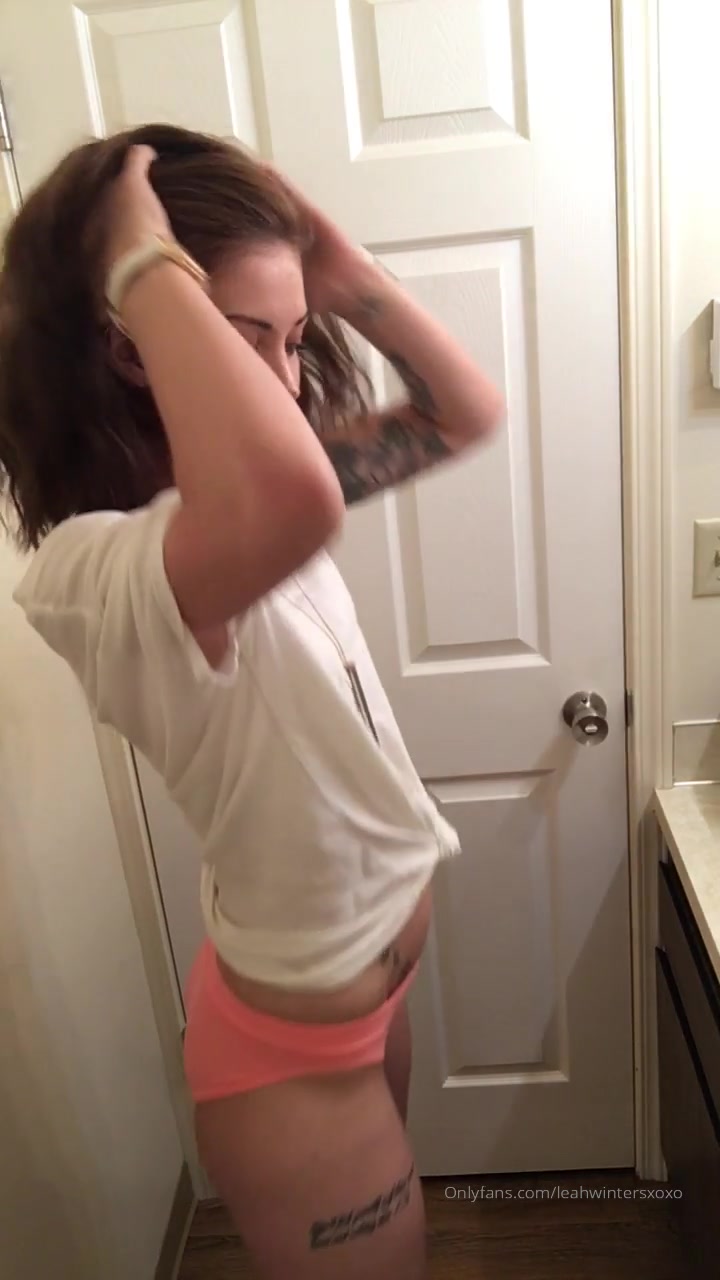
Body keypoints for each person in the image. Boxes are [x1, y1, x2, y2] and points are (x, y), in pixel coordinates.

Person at [0, 123, 503, 1279]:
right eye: (246, 337)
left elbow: (463, 411)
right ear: (128, 342)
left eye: (294, 338)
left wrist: (343, 271)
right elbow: (293, 494)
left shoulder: (223, 510)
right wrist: (136, 254)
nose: (286, 378)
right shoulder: (89, 569)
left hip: (367, 996)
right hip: (292, 1066)